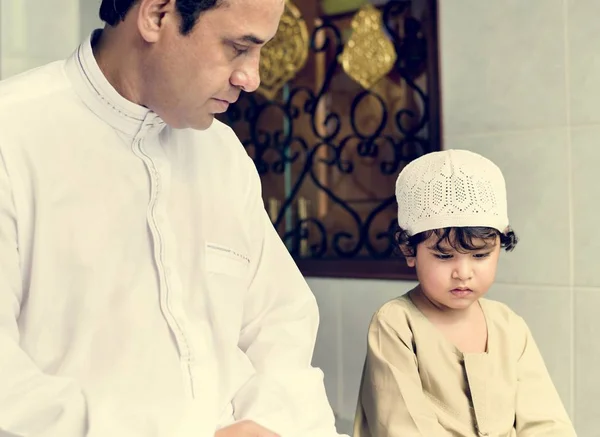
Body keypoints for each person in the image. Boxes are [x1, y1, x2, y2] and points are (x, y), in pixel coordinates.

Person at [0, 0, 344, 436]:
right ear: (157, 15)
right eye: (238, 47)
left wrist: (267, 420)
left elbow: (280, 323)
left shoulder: (223, 154)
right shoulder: (11, 136)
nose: (251, 79)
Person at [353, 149, 577, 436]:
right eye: (444, 256)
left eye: (480, 255)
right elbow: (402, 427)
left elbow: (546, 422)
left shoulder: (509, 325)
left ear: (500, 246)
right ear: (410, 250)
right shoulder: (395, 324)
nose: (463, 272)